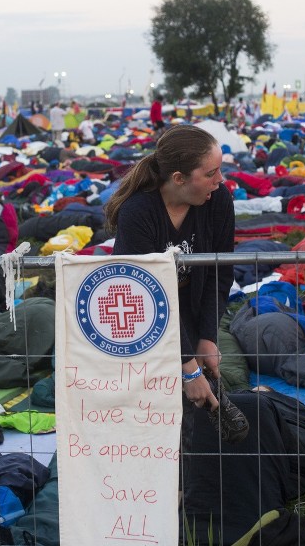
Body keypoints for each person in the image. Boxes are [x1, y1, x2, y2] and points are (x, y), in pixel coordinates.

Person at [104, 125, 246, 443]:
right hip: (139, 325)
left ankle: (186, 485)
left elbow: (220, 272)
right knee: (150, 415)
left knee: (188, 414)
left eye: (220, 169)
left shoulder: (218, 200)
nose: (220, 179)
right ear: (179, 178)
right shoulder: (139, 213)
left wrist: (207, 337)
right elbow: (148, 297)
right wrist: (189, 367)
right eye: (211, 172)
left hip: (191, 313)